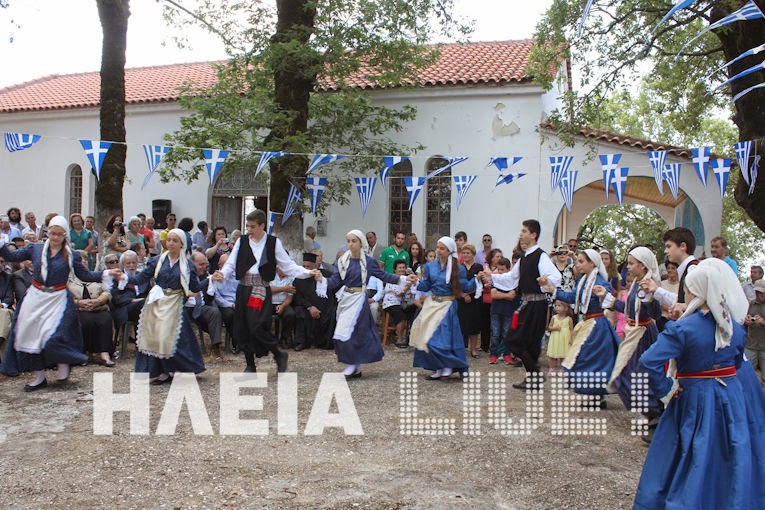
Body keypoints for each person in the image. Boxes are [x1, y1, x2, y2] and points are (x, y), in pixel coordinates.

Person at [633, 260, 765, 510]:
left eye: (689, 288)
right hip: (729, 398)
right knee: (726, 452)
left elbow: (649, 360)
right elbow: (737, 363)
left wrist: (668, 388)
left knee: (690, 452)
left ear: (698, 290)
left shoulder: (683, 328)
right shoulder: (734, 328)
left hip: (693, 397)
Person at [0, 216, 119, 388]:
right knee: (31, 336)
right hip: (36, 296)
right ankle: (39, 376)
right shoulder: (35, 248)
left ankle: (64, 368)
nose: (55, 237)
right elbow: (11, 255)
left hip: (58, 299)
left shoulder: (71, 255)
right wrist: (3, 244)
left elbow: (84, 275)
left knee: (56, 335)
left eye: (59, 234)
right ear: (47, 232)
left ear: (65, 235)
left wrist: (106, 274)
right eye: (52, 233)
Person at [213, 209, 320, 373]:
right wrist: (223, 274)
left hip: (260, 290)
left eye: (253, 226)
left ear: (262, 225)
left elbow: (288, 265)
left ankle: (278, 353)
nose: (249, 230)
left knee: (256, 325)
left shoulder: (272, 243)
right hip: (243, 289)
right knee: (243, 327)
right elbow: (231, 264)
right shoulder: (241, 242)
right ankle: (250, 365)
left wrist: (307, 273)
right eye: (247, 226)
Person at [120, 228, 205, 384]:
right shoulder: (158, 261)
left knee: (173, 337)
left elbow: (194, 287)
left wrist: (211, 281)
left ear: (182, 244)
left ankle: (181, 369)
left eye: (175, 240)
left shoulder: (187, 265)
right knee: (154, 336)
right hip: (158, 302)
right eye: (169, 240)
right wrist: (123, 278)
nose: (170, 243)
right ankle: (161, 371)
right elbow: (140, 278)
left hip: (175, 302)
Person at [327, 230, 414, 378]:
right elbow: (335, 281)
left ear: (361, 243)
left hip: (360, 300)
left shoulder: (368, 262)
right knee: (341, 333)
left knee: (355, 333)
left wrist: (404, 279)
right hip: (346, 299)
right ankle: (355, 366)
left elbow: (384, 275)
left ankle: (353, 365)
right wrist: (320, 280)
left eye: (354, 241)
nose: (350, 244)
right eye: (348, 241)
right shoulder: (342, 261)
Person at [485, 220, 561, 388]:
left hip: (537, 304)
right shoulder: (524, 258)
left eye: (524, 230)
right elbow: (511, 278)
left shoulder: (540, 256)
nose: (521, 234)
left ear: (533, 235)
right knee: (517, 340)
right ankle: (533, 376)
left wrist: (545, 280)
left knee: (520, 340)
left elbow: (556, 277)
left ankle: (533, 376)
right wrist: (491, 276)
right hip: (527, 304)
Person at [539, 249, 620, 406]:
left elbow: (608, 300)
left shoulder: (600, 282)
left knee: (589, 360)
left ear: (592, 263)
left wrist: (604, 294)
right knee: (589, 360)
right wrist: (550, 288)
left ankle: (597, 395)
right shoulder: (584, 280)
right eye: (578, 261)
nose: (578, 264)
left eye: (582, 261)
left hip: (597, 326)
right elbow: (571, 297)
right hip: (588, 324)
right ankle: (595, 396)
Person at [598, 246, 663, 422]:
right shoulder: (635, 284)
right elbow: (628, 310)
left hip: (643, 334)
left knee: (637, 374)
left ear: (643, 266)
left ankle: (652, 412)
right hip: (634, 332)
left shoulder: (648, 285)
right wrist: (607, 297)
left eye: (632, 264)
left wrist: (650, 297)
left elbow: (655, 312)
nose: (628, 267)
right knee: (627, 372)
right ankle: (647, 410)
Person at [410, 236, 477, 380]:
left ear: (449, 251)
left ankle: (447, 366)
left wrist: (477, 280)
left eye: (442, 248)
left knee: (444, 339)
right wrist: (415, 282)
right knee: (428, 337)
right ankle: (438, 367)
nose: (438, 251)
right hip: (432, 305)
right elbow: (426, 285)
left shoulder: (457, 268)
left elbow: (465, 286)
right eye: (437, 247)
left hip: (447, 305)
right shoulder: (430, 266)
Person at [641, 227, 698, 320]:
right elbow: (682, 301)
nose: (665, 251)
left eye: (669, 246)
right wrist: (656, 289)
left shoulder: (693, 269)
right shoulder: (686, 269)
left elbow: (696, 305)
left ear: (683, 246)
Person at [69, 267, 115, 367]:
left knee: (105, 319)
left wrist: (98, 301)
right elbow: (64, 296)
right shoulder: (69, 279)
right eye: (80, 262)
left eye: (85, 260)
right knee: (84, 321)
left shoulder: (95, 277)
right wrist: (78, 303)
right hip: (79, 309)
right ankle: (83, 354)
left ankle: (104, 353)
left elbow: (107, 292)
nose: (83, 263)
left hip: (98, 307)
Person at [292, 253, 336, 351]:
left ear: (315, 266)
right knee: (300, 311)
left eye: (309, 266)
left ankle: (326, 342)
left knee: (332, 312)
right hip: (307, 307)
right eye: (304, 266)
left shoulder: (326, 274)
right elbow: (297, 297)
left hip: (324, 308)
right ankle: (302, 342)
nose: (306, 268)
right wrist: (310, 307)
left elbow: (333, 290)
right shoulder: (299, 278)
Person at [488, 256, 517, 364]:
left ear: (508, 269)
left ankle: (506, 354)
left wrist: (501, 294)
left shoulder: (512, 282)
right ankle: (493, 354)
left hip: (508, 311)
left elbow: (512, 296)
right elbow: (493, 295)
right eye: (498, 269)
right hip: (496, 311)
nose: (499, 272)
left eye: (502, 270)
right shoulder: (495, 280)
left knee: (506, 334)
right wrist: (506, 295)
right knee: (495, 334)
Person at [382, 260, 416, 349]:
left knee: (413, 311)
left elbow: (412, 293)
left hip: (402, 303)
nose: (402, 270)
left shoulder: (406, 279)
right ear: (395, 270)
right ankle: (399, 339)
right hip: (391, 303)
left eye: (403, 268)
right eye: (399, 268)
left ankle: (410, 337)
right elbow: (399, 293)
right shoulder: (392, 278)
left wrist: (410, 289)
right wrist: (406, 288)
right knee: (401, 315)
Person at [458, 243, 483, 358]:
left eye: (468, 253)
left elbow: (479, 284)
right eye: (464, 253)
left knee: (474, 325)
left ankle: (473, 349)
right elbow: (455, 285)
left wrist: (469, 294)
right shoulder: (459, 267)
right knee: (461, 324)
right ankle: (460, 349)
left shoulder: (478, 267)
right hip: (461, 299)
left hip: (475, 300)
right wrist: (463, 295)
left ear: (473, 254)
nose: (465, 255)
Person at [744, 279, 765, 385]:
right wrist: (746, 321)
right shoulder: (751, 304)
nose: (758, 295)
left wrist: (763, 322)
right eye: (756, 292)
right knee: (748, 375)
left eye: (761, 293)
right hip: (751, 345)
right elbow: (744, 322)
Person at [546, 300, 573, 374]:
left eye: (559, 306)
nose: (557, 308)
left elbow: (571, 330)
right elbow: (549, 327)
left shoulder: (569, 319)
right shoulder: (554, 318)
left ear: (566, 308)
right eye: (556, 306)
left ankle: (562, 369)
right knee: (553, 355)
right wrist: (554, 328)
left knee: (563, 355)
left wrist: (571, 339)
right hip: (555, 338)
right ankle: (552, 369)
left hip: (564, 339)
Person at [657, 260, 679, 331]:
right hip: (663, 319)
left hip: (677, 320)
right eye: (668, 268)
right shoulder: (662, 284)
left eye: (673, 268)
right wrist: (669, 310)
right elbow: (659, 301)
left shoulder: (682, 285)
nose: (670, 270)